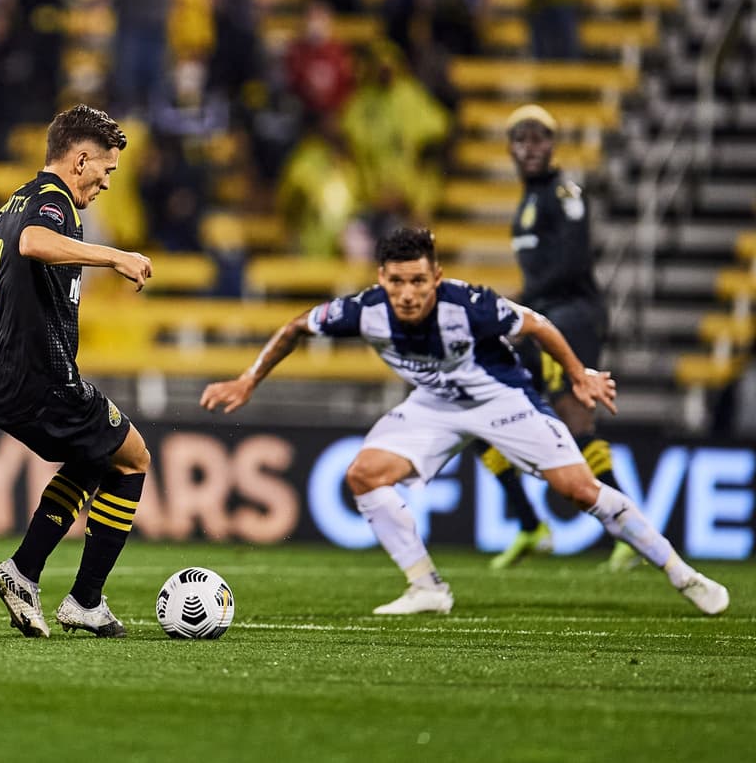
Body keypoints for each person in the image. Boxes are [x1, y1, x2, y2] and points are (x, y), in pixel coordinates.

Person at [200, 227, 729, 617]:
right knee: (363, 475)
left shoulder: (469, 305)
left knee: (578, 490)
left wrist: (578, 375)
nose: (407, 293)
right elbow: (296, 327)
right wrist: (249, 379)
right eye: (397, 282)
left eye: (418, 282)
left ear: (437, 278)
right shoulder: (365, 310)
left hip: (502, 399)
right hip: (434, 406)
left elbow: (537, 325)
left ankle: (681, 573)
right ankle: (427, 587)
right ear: (381, 278)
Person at [0, 104, 153, 638]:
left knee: (94, 456)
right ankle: (83, 599)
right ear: (80, 159)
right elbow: (33, 243)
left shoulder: (14, 202)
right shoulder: (51, 203)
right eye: (106, 169)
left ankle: (25, 573)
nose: (107, 181)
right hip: (42, 376)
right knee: (132, 458)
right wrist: (114, 256)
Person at [480, 104, 636, 571]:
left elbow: (569, 265)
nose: (531, 147)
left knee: (575, 421)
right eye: (522, 139)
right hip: (543, 318)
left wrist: (515, 303)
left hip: (569, 319)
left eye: (540, 138)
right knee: (476, 403)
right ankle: (530, 524)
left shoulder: (563, 192)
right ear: (510, 147)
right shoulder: (531, 198)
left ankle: (627, 527)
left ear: (553, 145)